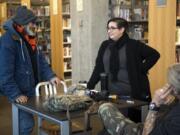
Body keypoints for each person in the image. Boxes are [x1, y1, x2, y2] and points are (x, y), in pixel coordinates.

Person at [0, 6, 61, 135]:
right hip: (20, 91)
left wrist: (51, 75)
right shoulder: (8, 41)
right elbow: (4, 73)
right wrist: (15, 94)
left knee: (47, 119)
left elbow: (40, 61)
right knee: (26, 125)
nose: (35, 25)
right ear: (23, 23)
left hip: (34, 88)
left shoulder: (30, 37)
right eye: (32, 23)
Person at [87, 17, 160, 122]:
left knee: (132, 124)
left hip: (132, 94)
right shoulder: (105, 45)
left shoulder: (133, 45)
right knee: (112, 124)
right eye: (108, 28)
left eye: (113, 28)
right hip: (111, 93)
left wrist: (141, 69)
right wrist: (90, 86)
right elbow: (99, 67)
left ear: (122, 30)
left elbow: (154, 54)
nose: (109, 31)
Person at [98, 63, 180, 135]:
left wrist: (154, 105)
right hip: (143, 126)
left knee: (105, 107)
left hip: (142, 131)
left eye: (169, 83)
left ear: (174, 88)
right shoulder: (175, 103)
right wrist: (167, 104)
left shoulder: (176, 120)